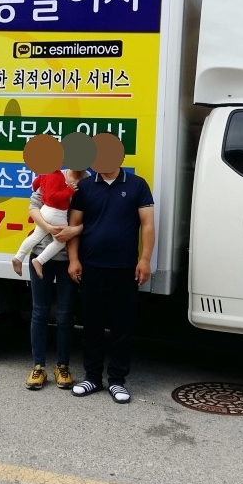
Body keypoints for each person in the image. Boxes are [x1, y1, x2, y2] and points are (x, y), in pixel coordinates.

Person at [66, 133, 155, 404]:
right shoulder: (85, 187)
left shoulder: (137, 185)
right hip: (91, 267)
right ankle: (92, 377)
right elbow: (74, 226)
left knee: (122, 328)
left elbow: (147, 224)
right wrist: (73, 259)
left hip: (125, 269)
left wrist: (145, 259)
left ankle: (117, 381)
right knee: (91, 327)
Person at [24, 172, 85, 391]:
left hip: (69, 259)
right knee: (39, 312)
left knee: (65, 315)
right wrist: (49, 228)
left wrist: (73, 230)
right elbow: (33, 207)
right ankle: (38, 366)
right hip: (40, 255)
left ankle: (63, 366)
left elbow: (95, 220)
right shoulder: (54, 175)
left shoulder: (90, 183)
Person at [11, 168, 85, 278]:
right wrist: (68, 191)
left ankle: (18, 257)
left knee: (35, 236)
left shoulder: (45, 172)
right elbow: (52, 196)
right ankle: (39, 261)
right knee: (60, 242)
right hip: (57, 213)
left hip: (46, 210)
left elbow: (35, 184)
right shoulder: (57, 175)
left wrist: (43, 191)